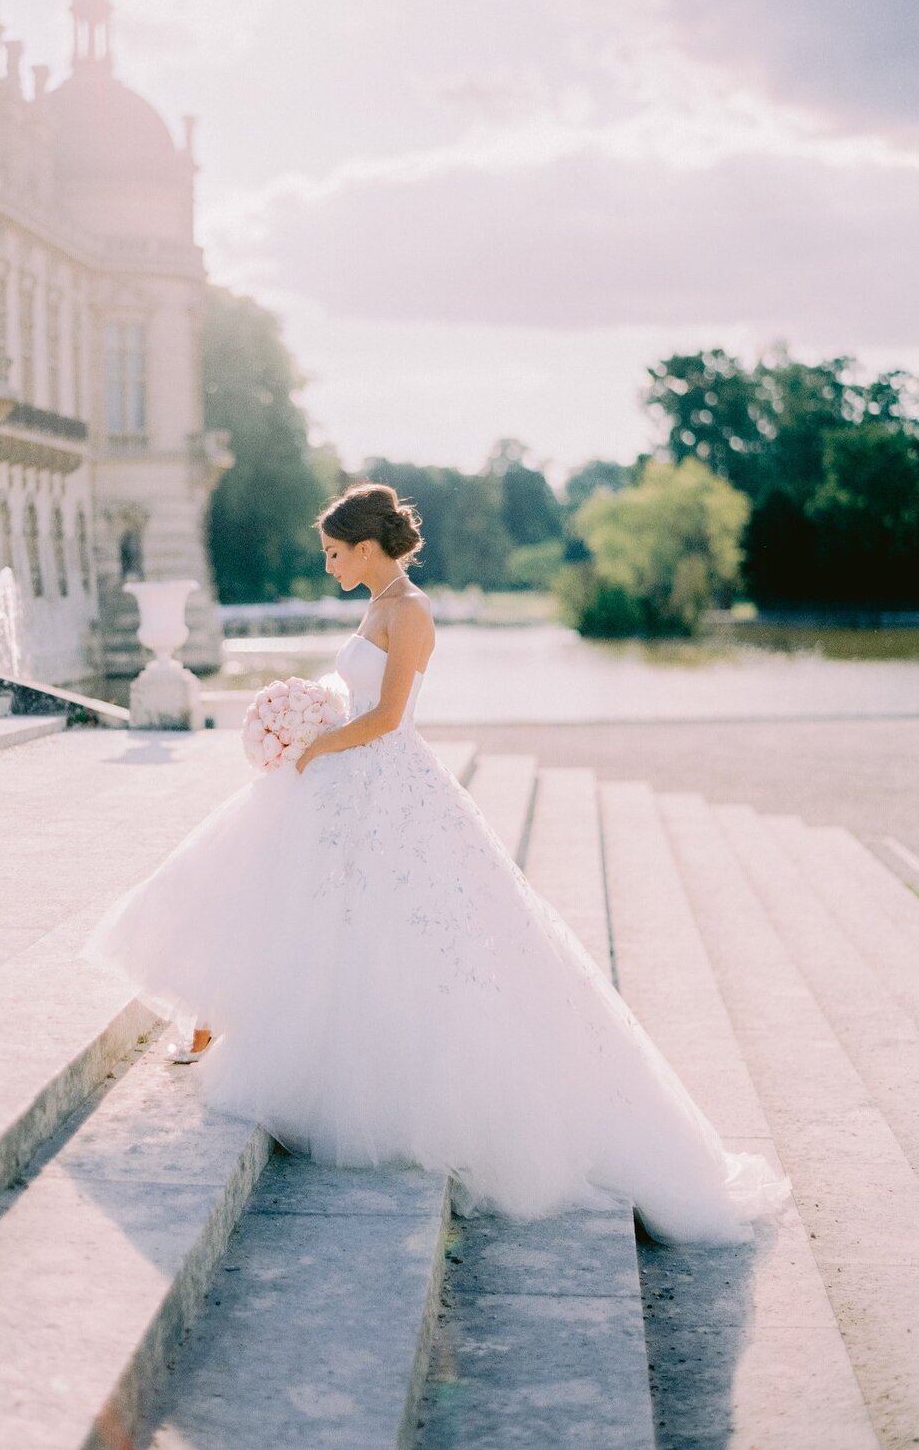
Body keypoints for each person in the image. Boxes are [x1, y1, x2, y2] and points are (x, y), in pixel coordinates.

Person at [80, 482, 792, 1244]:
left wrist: (314, 744)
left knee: (412, 928)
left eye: (332, 554)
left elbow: (388, 718)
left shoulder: (411, 611)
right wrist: (302, 712)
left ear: (364, 545)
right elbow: (353, 692)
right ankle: (235, 1026)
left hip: (387, 781)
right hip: (350, 778)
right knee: (310, 905)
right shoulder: (377, 604)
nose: (327, 568)